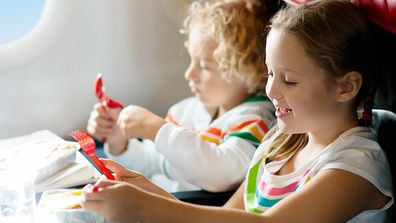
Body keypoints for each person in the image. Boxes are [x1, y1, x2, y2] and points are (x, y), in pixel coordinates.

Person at [82, 1, 393, 222]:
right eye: (270, 74)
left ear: (345, 87)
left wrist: (144, 208)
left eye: (290, 80)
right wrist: (140, 186)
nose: (271, 91)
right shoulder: (279, 146)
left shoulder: (356, 166)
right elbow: (228, 216)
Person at [86, 0, 278, 192]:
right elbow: (154, 164)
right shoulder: (187, 111)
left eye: (204, 66)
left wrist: (157, 129)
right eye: (191, 61)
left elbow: (222, 175)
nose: (189, 74)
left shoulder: (256, 121)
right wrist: (118, 139)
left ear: (248, 70)